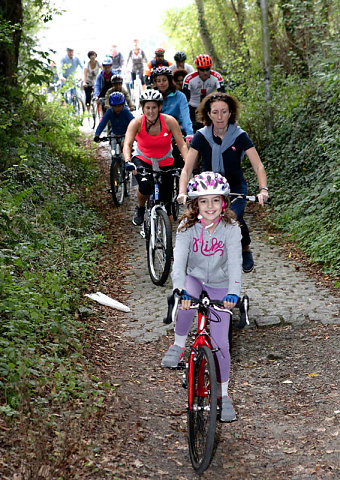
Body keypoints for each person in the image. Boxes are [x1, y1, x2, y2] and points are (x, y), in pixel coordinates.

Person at [161, 171, 241, 422]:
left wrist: (233, 293)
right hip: (194, 278)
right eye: (203, 201)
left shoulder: (231, 228)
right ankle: (178, 345)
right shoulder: (187, 228)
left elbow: (236, 263)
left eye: (215, 200)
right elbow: (180, 261)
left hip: (220, 283)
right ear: (195, 204)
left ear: (224, 203)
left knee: (221, 343)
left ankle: (224, 395)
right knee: (186, 304)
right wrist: (179, 290)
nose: (210, 206)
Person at [177, 92, 269, 273]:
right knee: (199, 221)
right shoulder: (201, 136)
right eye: (215, 112)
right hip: (207, 188)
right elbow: (187, 169)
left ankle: (244, 247)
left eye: (224, 112)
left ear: (231, 113)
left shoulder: (240, 136)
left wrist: (263, 190)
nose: (220, 117)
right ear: (208, 114)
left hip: (234, 187)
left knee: (234, 217)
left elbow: (258, 166)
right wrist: (182, 191)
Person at [122, 89, 188, 226]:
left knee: (167, 203)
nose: (151, 111)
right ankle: (140, 208)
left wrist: (188, 163)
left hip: (165, 161)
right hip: (142, 159)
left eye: (154, 107)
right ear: (142, 108)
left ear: (160, 107)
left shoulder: (170, 122)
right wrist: (128, 161)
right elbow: (127, 144)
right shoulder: (136, 123)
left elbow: (181, 145)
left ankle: (166, 240)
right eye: (147, 108)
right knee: (145, 185)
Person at [183, 54, 225, 131]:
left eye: (207, 69)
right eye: (202, 70)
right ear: (197, 69)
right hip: (193, 106)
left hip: (209, 106)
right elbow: (185, 99)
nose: (205, 72)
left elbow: (223, 95)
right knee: (194, 128)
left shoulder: (217, 77)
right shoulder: (189, 78)